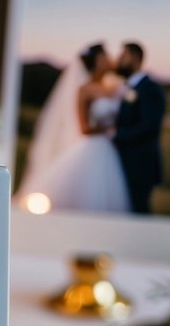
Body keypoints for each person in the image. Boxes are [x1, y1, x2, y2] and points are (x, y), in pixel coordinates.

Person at [18, 44, 131, 213]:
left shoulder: (115, 87)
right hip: (94, 146)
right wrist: (109, 130)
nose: (110, 59)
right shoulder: (85, 90)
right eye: (104, 57)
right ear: (96, 62)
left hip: (110, 149)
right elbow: (84, 128)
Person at [113, 42, 166, 214]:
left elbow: (148, 127)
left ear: (135, 58)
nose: (118, 60)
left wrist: (115, 136)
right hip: (124, 163)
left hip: (140, 166)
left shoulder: (150, 89)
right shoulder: (128, 87)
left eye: (123, 56)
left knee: (138, 212)